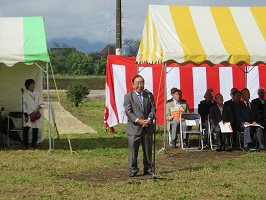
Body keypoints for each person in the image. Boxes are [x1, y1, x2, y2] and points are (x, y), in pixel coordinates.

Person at [123, 75, 156, 177]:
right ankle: (133, 169)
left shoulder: (149, 95)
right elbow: (128, 112)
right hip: (134, 128)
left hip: (147, 126)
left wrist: (149, 119)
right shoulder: (128, 96)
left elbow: (153, 109)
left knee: (148, 149)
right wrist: (138, 121)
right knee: (133, 149)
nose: (139, 85)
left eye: (141, 82)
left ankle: (148, 168)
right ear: (133, 85)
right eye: (137, 83)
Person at [235, 88, 265, 152]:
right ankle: (246, 145)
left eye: (248, 93)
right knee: (247, 128)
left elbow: (257, 116)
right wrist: (244, 122)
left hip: (253, 124)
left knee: (259, 128)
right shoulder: (238, 105)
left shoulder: (254, 106)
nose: (247, 95)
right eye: (245, 94)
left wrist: (255, 121)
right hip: (243, 124)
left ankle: (261, 145)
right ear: (242, 96)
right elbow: (238, 115)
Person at [22, 79, 44, 149]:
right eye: (32, 84)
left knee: (35, 129)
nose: (33, 85)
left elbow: (42, 104)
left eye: (34, 84)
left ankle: (34, 143)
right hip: (28, 114)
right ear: (28, 85)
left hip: (36, 114)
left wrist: (37, 110)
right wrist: (25, 115)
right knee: (26, 129)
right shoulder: (25, 94)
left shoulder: (37, 93)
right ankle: (25, 144)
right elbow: (23, 105)